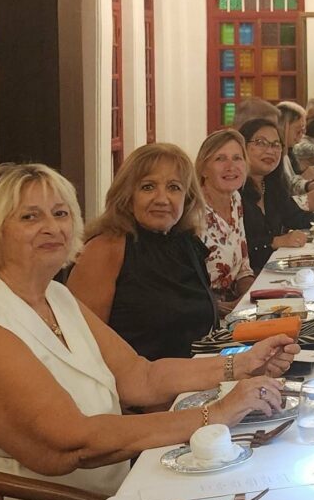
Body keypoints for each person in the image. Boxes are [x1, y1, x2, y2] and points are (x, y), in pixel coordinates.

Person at [0, 163, 295, 500]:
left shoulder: (55, 296)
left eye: (61, 213)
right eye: (30, 216)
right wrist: (217, 415)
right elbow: (74, 442)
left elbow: (140, 377)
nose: (52, 227)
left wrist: (241, 364)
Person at [68, 144, 217, 360]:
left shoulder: (186, 243)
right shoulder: (105, 249)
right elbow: (83, 346)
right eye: (148, 187)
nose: (162, 199)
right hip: (133, 379)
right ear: (127, 196)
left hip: (196, 373)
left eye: (174, 187)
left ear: (188, 197)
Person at [239, 118, 314, 272]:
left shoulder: (271, 186)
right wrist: (275, 241)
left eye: (276, 145)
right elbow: (239, 248)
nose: (270, 150)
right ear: (242, 147)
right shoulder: (234, 190)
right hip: (252, 275)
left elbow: (297, 218)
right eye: (260, 143)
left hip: (273, 269)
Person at [195, 129, 255, 316]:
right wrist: (225, 308)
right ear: (203, 169)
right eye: (220, 159)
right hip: (203, 315)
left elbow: (243, 267)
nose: (231, 166)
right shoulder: (192, 211)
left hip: (235, 310)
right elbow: (183, 288)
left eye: (237, 158)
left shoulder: (235, 199)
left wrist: (249, 297)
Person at [276, 101, 314, 211]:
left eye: (303, 130)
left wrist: (310, 185)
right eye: (298, 130)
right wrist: (306, 199)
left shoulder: (287, 153)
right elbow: (280, 200)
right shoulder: (274, 156)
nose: (301, 136)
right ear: (283, 127)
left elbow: (292, 182)